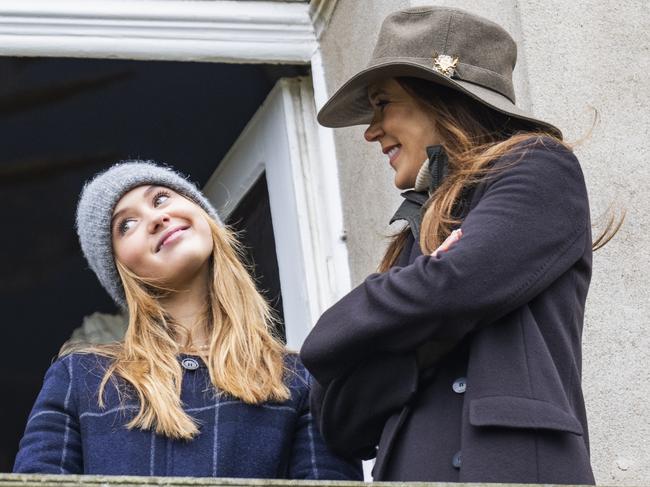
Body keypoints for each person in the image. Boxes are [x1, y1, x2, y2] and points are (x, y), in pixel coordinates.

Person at [300, 6, 615, 484]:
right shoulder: (416, 231)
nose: (370, 130)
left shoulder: (539, 167)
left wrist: (355, 322)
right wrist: (415, 353)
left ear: (440, 95)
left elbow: (457, 284)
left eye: (383, 102)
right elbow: (337, 417)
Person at [14, 161, 362, 480]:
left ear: (202, 214)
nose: (155, 218)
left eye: (161, 198)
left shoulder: (299, 380)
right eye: (127, 224)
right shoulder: (79, 379)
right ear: (121, 270)